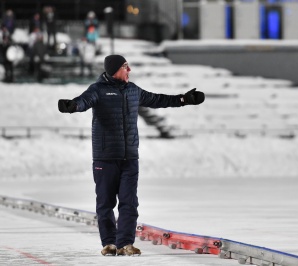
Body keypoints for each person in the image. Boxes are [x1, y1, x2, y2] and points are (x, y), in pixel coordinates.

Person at [57, 55, 205, 256]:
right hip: (105, 158)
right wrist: (73, 106)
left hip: (130, 158)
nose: (130, 70)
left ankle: (125, 244)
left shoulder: (133, 90)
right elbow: (84, 101)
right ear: (115, 69)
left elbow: (157, 99)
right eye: (126, 67)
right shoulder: (98, 90)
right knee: (105, 202)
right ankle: (109, 243)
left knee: (129, 202)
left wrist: (183, 99)